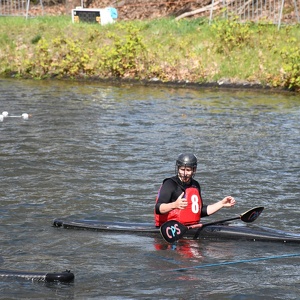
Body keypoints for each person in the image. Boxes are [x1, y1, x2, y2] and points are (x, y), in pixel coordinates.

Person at [154, 153, 236, 227]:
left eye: (188, 170)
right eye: (182, 169)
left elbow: (199, 211)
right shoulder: (170, 184)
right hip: (171, 228)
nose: (185, 173)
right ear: (178, 168)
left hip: (191, 227)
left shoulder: (195, 185)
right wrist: (174, 205)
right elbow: (158, 208)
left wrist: (221, 204)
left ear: (194, 170)